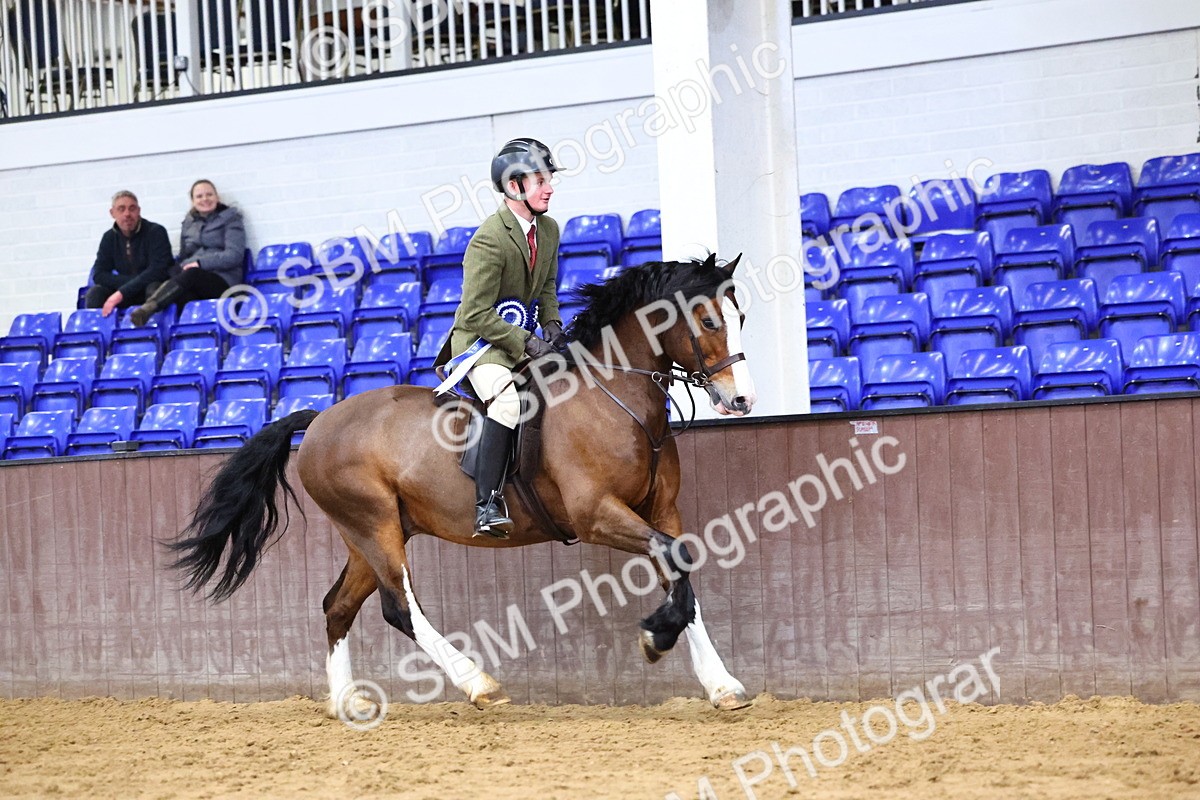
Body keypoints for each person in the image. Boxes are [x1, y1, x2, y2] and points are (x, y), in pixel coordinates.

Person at [440, 138, 565, 539]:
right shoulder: (489, 239)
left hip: (523, 335)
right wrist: (526, 341)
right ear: (514, 187)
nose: (549, 187)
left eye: (549, 179)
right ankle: (487, 503)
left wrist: (554, 326)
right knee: (509, 403)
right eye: (540, 180)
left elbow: (546, 288)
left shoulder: (548, 230)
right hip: (484, 346)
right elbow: (475, 313)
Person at [129, 179, 246, 326]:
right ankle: (176, 335)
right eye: (199, 196)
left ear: (217, 197)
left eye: (209, 194)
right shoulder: (188, 223)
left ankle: (147, 308)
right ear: (193, 201)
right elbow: (184, 256)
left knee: (192, 274)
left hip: (223, 280)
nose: (205, 199)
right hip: (192, 280)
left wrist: (200, 264)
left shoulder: (231, 219)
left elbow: (234, 256)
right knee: (156, 285)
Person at [85, 190, 174, 316]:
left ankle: (156, 333)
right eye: (121, 209)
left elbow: (159, 270)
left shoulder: (156, 232)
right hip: (125, 291)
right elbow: (99, 274)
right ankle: (100, 333)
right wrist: (129, 284)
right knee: (95, 293)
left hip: (148, 290)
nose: (127, 214)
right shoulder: (109, 238)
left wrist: (125, 290)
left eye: (132, 209)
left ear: (138, 211)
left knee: (154, 289)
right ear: (112, 213)